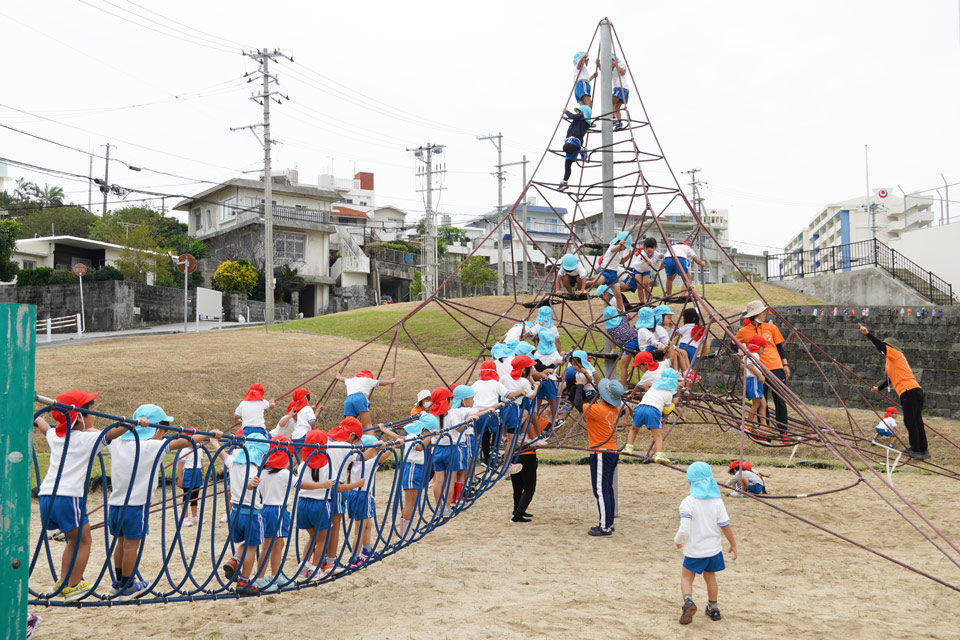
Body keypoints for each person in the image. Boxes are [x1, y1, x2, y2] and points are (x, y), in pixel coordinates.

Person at [107, 404, 221, 600]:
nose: (165, 433)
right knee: (131, 546)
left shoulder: (117, 443)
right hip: (136, 506)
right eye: (164, 429)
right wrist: (209, 434)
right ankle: (128, 585)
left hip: (115, 504)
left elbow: (105, 433)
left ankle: (118, 582)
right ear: (156, 429)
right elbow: (186, 441)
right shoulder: (153, 446)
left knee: (121, 542)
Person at [35, 389, 107, 601]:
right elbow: (111, 434)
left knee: (73, 540)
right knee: (84, 540)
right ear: (79, 416)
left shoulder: (56, 437)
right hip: (69, 497)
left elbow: (45, 428)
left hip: (46, 496)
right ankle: (73, 585)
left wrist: (38, 418)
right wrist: (132, 424)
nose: (94, 415)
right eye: (91, 411)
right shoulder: (87, 441)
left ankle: (64, 582)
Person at [674, 461, 738, 625]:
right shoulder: (717, 501)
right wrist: (733, 544)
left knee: (687, 577)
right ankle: (713, 608)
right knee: (711, 578)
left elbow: (684, 529)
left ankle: (688, 601)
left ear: (690, 481)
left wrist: (678, 541)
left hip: (695, 549)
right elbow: (724, 525)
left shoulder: (688, 502)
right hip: (713, 550)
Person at [859, 324, 929, 458]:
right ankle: (923, 450)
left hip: (908, 390)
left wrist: (868, 334)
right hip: (915, 390)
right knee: (917, 420)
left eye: (885, 348)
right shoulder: (892, 361)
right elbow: (891, 379)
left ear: (890, 348)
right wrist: (878, 388)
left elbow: (881, 346)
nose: (881, 350)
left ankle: (915, 449)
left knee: (910, 421)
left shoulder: (896, 354)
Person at [218, 430, 271, 594]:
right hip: (251, 513)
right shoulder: (253, 468)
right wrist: (251, 484)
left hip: (235, 512)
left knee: (245, 543)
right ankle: (244, 582)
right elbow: (249, 483)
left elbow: (222, 456)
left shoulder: (233, 462)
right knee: (253, 546)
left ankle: (235, 561)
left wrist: (214, 441)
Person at [573, 378, 624, 536]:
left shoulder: (597, 410)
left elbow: (577, 404)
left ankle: (604, 527)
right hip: (611, 451)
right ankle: (608, 522)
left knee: (601, 491)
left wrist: (580, 385)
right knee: (607, 488)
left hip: (601, 452)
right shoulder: (615, 410)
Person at [736, 300, 790, 436]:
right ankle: (763, 429)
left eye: (765, 311)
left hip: (776, 367)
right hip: (759, 370)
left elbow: (779, 347)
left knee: (780, 399)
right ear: (754, 315)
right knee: (761, 400)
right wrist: (740, 350)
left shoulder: (772, 328)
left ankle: (783, 431)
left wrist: (785, 364)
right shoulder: (743, 331)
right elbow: (734, 344)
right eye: (762, 312)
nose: (765, 314)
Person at [321, 417, 368, 571]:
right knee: (335, 526)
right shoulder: (347, 447)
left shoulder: (327, 442)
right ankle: (331, 561)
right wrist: (377, 448)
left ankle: (320, 559)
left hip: (321, 488)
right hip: (338, 488)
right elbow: (362, 458)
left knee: (323, 525)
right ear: (352, 435)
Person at [294, 429, 337, 581]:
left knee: (313, 536)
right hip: (319, 505)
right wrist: (323, 485)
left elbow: (301, 484)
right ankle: (315, 569)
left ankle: (303, 566)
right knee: (322, 539)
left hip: (302, 504)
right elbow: (333, 483)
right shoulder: (328, 466)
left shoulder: (302, 465)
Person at [256, 435, 297, 591]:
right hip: (277, 510)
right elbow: (300, 484)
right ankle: (260, 578)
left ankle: (275, 574)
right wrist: (324, 484)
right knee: (269, 546)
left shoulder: (263, 472)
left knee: (278, 544)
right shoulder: (284, 474)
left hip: (266, 508)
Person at [345, 434, 392, 567]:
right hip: (361, 496)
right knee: (359, 530)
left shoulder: (357, 462)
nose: (376, 453)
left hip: (362, 496)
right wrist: (393, 445)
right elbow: (384, 456)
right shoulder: (367, 462)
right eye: (374, 451)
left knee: (367, 525)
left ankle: (366, 550)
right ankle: (354, 557)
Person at [624, 368, 678, 463]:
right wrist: (674, 404)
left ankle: (629, 447)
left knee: (633, 429)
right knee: (657, 436)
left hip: (640, 408)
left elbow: (647, 384)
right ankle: (659, 454)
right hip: (653, 410)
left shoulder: (653, 387)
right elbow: (666, 411)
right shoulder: (669, 394)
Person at [399, 413, 439, 541]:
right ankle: (405, 532)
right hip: (412, 469)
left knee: (413, 502)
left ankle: (407, 529)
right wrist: (431, 435)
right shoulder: (412, 436)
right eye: (427, 430)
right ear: (423, 428)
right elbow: (420, 447)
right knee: (410, 503)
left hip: (419, 469)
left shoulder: (419, 436)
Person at [471, 361, 510, 466]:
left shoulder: (475, 384)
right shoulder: (496, 384)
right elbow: (508, 395)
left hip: (477, 414)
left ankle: (486, 458)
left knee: (485, 434)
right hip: (491, 414)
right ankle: (492, 451)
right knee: (499, 428)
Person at [586, 232, 632, 312]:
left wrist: (628, 256)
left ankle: (620, 308)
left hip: (613, 275)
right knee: (596, 283)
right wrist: (619, 245)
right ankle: (583, 286)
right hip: (606, 271)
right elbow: (614, 249)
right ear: (619, 242)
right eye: (625, 246)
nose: (625, 248)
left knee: (618, 294)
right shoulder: (612, 247)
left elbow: (621, 262)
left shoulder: (620, 252)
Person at [558, 105, 591, 192]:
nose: (576, 113)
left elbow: (572, 116)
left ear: (582, 112)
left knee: (565, 147)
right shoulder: (583, 121)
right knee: (567, 164)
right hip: (572, 142)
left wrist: (566, 111)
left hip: (574, 140)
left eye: (578, 111)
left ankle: (582, 149)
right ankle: (565, 182)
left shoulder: (581, 117)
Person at [742, 337, 768, 435]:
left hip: (752, 380)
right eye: (763, 348)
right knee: (756, 404)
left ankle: (763, 425)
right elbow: (749, 366)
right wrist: (760, 375)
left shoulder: (748, 354)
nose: (764, 350)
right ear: (759, 347)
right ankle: (748, 425)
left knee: (763, 404)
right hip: (754, 380)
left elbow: (743, 366)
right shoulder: (754, 354)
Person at [630, 237, 663, 303]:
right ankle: (641, 302)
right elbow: (645, 259)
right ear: (644, 247)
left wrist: (666, 256)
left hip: (647, 270)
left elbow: (660, 255)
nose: (649, 249)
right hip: (637, 270)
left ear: (655, 248)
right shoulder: (642, 253)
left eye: (651, 247)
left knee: (646, 283)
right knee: (639, 286)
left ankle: (648, 301)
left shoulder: (656, 254)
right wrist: (648, 261)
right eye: (647, 247)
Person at [610, 54, 629, 130]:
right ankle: (619, 122)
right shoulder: (612, 67)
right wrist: (598, 65)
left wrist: (616, 65)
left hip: (621, 87)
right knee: (616, 107)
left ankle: (614, 119)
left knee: (611, 103)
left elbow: (623, 72)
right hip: (622, 89)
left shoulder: (620, 64)